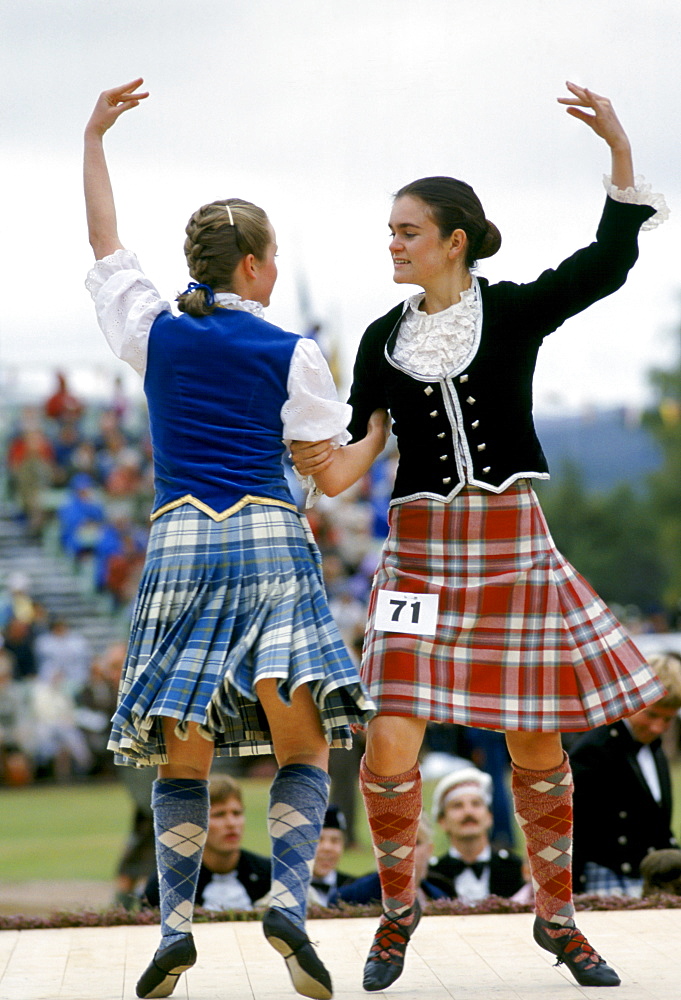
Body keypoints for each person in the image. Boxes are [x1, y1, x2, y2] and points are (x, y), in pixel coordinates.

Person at [291, 82, 668, 991]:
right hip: (419, 552)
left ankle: (557, 918)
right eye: (389, 230)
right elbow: (352, 459)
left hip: (511, 542)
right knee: (388, 738)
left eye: (406, 230)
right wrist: (294, 449)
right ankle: (395, 909)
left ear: (453, 240)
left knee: (536, 745)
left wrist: (617, 147)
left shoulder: (510, 311)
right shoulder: (382, 338)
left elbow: (607, 261)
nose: (392, 242)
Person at [83, 79, 384, 1000]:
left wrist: (94, 136)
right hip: (265, 537)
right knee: (299, 749)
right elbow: (332, 477)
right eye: (273, 256)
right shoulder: (290, 349)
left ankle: (173, 924)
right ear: (253, 264)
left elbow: (105, 244)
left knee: (185, 756)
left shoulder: (153, 329)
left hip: (176, 540)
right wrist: (381, 429)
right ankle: (286, 900)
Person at [570, 652, 681, 896]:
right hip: (604, 878)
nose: (657, 727)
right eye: (651, 714)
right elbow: (572, 829)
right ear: (629, 700)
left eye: (668, 720)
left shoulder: (653, 747)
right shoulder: (593, 749)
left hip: (651, 877)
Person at [143, 775, 271, 912]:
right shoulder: (171, 883)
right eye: (219, 815)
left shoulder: (269, 873)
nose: (231, 823)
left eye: (237, 813)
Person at [427, 767, 525, 903]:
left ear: (490, 816)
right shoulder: (431, 875)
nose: (468, 812)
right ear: (442, 821)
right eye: (457, 806)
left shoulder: (515, 869)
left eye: (476, 804)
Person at [330, 813, 451, 907]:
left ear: (429, 850)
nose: (404, 851)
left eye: (414, 841)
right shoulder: (347, 900)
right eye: (394, 842)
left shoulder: (441, 898)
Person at [308, 806, 355, 906]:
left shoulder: (354, 888)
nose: (327, 848)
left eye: (335, 840)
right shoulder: (283, 887)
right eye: (318, 840)